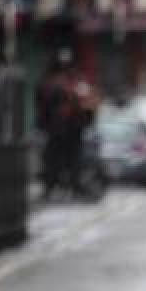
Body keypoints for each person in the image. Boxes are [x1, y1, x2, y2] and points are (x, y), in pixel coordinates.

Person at [37, 48, 96, 198]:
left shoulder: (51, 83)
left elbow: (42, 107)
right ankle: (68, 186)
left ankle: (56, 187)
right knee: (67, 159)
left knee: (56, 159)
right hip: (68, 129)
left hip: (63, 129)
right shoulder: (72, 83)